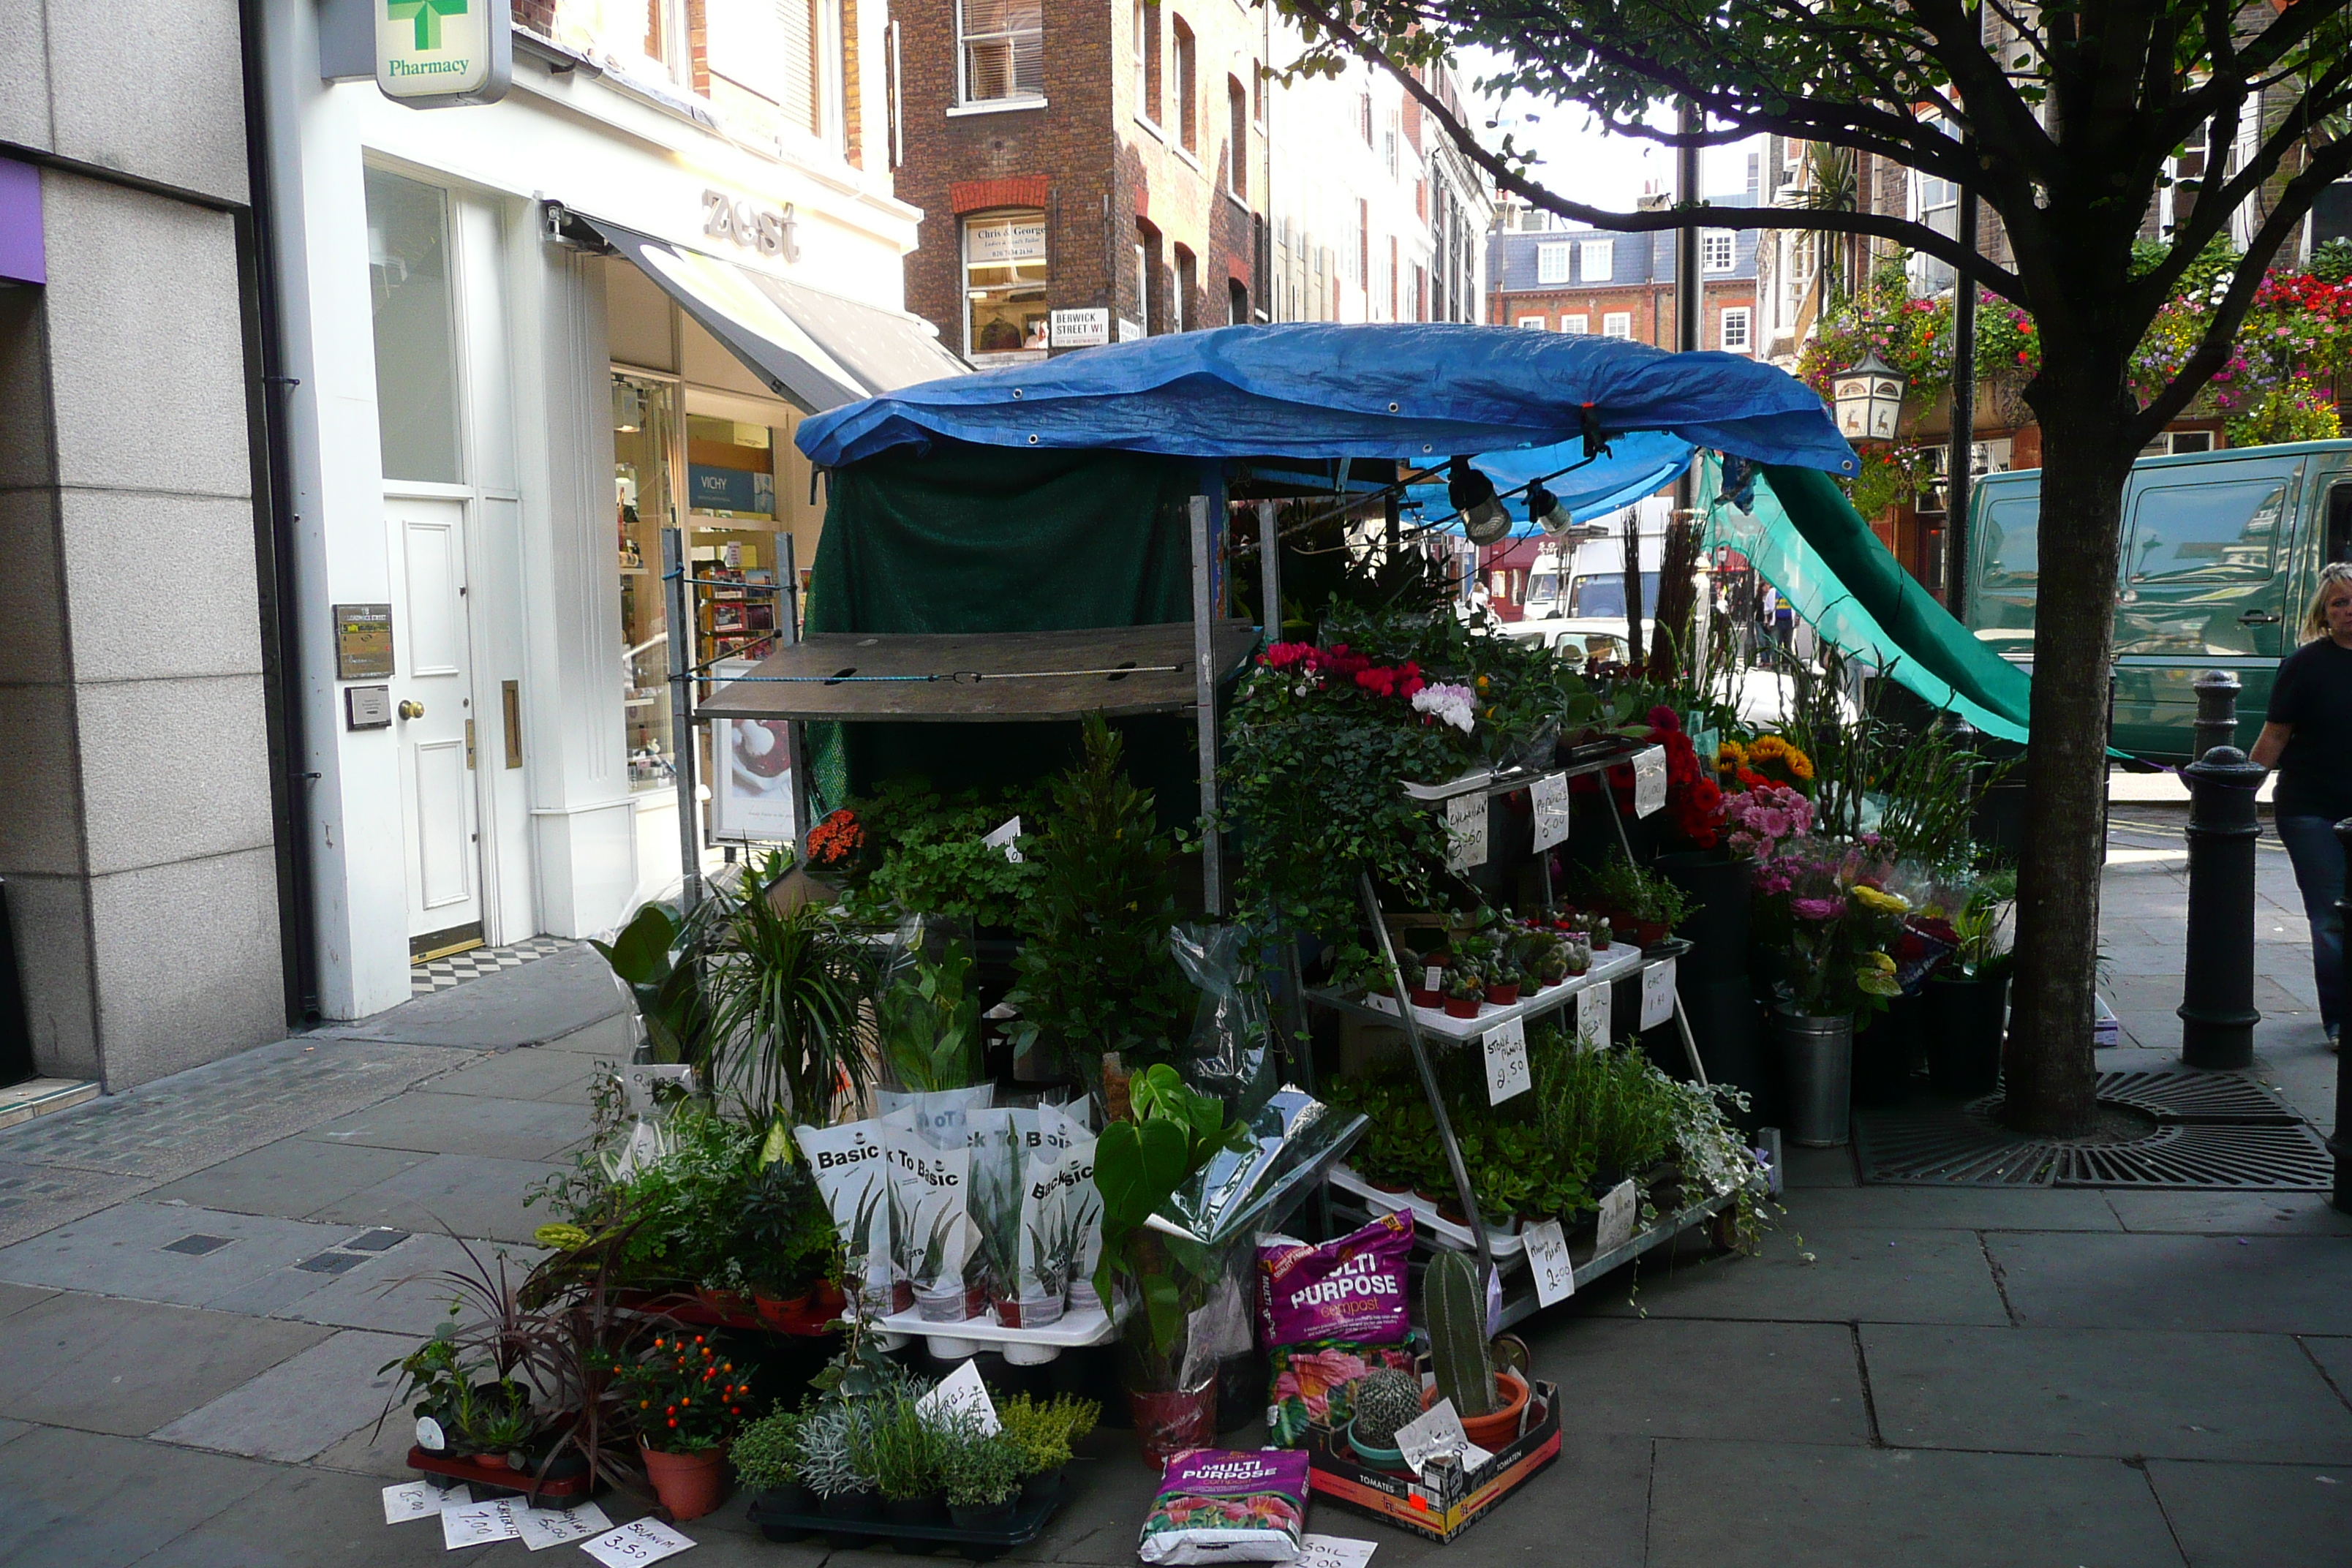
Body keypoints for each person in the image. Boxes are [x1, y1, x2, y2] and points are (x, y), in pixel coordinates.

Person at [2250, 562, 2352, 1052]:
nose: (2350, 611)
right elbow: (2275, 735)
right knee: (2331, 917)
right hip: (2313, 810)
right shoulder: (2305, 665)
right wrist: (2235, 796)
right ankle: (2340, 1023)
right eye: (2340, 602)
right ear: (2325, 613)